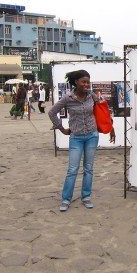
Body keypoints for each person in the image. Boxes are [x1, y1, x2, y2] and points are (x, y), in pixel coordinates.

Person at [48, 69, 116, 212]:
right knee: (72, 169)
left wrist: (111, 129)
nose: (87, 85)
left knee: (89, 168)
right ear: (76, 82)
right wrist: (61, 128)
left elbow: (103, 112)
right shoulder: (68, 98)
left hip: (92, 136)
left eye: (88, 82)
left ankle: (86, 196)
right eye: (84, 82)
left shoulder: (92, 96)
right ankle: (66, 199)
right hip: (76, 138)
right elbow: (52, 112)